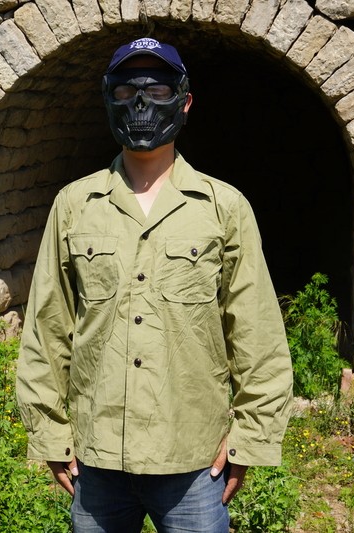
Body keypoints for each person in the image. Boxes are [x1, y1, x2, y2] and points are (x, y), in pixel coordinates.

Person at [16, 37, 293, 532]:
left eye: (158, 89)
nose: (140, 104)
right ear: (109, 98)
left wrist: (250, 437)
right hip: (98, 455)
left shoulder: (223, 208)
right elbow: (47, 328)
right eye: (126, 91)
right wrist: (49, 433)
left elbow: (257, 333)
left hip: (192, 458)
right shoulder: (75, 206)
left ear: (184, 101)